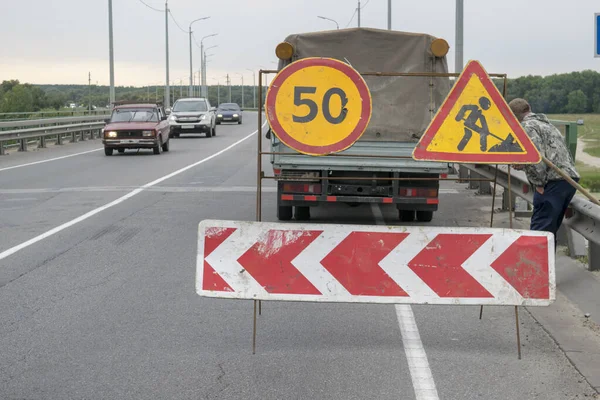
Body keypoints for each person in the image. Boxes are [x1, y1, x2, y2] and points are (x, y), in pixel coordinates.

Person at [508, 98, 580, 246]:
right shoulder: (547, 124)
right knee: (549, 232)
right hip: (568, 180)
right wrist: (523, 165)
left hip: (552, 182)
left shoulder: (526, 126)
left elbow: (536, 159)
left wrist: (538, 184)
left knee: (540, 231)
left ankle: (537, 267)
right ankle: (548, 266)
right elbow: (551, 154)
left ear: (514, 115)